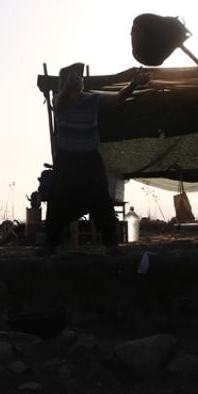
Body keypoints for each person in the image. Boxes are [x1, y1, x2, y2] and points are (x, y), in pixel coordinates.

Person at [38, 63, 148, 256]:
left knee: (101, 199)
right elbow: (58, 104)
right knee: (58, 199)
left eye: (78, 79)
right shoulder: (60, 100)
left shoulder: (92, 100)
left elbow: (118, 98)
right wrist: (66, 88)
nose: (78, 82)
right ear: (66, 84)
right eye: (73, 79)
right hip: (67, 160)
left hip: (89, 159)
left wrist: (133, 84)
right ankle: (50, 244)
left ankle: (110, 243)